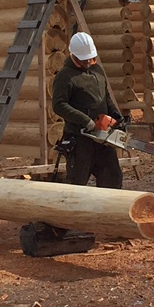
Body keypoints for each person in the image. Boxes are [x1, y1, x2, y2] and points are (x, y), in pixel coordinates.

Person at [50, 31, 124, 189]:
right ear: (74, 56)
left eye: (91, 58)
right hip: (79, 139)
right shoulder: (65, 76)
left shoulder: (98, 71)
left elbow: (105, 97)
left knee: (113, 177)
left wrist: (115, 115)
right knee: (77, 184)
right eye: (84, 59)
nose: (89, 62)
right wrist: (86, 121)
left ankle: (108, 205)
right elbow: (59, 105)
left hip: (103, 138)